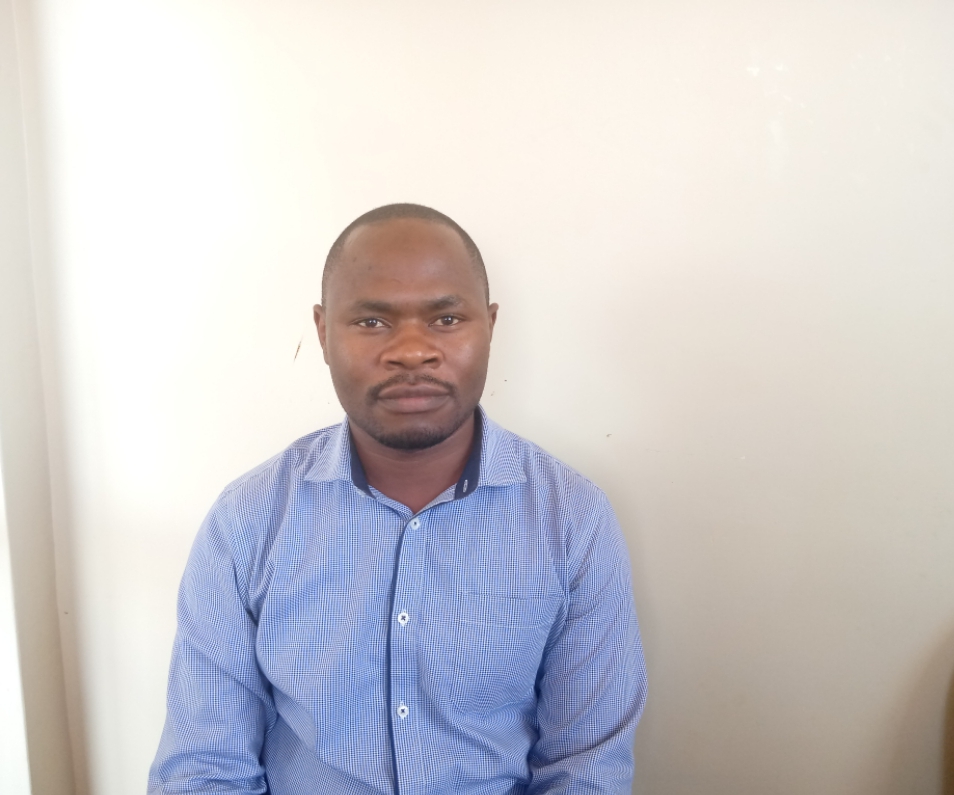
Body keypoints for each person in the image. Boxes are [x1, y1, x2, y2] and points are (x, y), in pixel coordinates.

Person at [148, 203, 648, 795]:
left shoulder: (572, 519)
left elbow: (585, 768)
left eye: (446, 319)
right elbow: (206, 769)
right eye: (372, 322)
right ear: (322, 332)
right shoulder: (247, 521)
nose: (412, 351)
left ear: (490, 325)